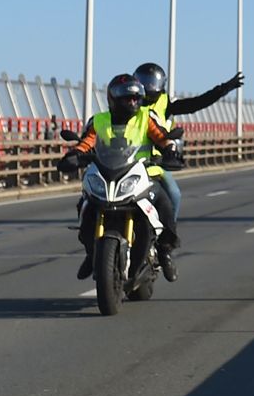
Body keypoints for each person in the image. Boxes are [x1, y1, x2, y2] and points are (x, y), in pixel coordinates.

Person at [130, 62, 246, 281]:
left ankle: (165, 246)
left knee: (173, 194)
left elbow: (196, 104)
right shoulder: (129, 100)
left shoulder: (166, 101)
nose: (148, 86)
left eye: (151, 82)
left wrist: (223, 89)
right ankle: (94, 249)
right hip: (125, 164)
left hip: (154, 164)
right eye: (144, 81)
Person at [61, 74, 173, 282]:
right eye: (125, 98)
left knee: (165, 203)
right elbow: (87, 141)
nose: (131, 102)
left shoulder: (146, 117)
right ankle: (91, 253)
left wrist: (170, 149)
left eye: (135, 98)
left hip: (143, 174)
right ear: (113, 99)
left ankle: (165, 250)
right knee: (85, 205)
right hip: (107, 174)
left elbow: (161, 137)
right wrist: (73, 155)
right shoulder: (99, 120)